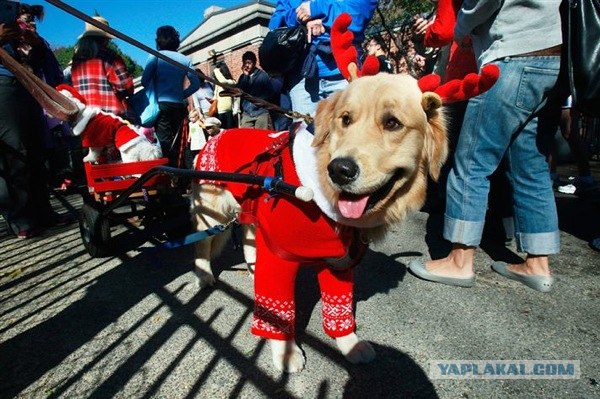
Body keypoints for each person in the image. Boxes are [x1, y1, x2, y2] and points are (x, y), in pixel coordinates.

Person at [408, 0, 563, 292]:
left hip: (511, 54)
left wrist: (460, 25)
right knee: (531, 165)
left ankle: (459, 261)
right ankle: (538, 265)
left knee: (471, 163)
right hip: (553, 54)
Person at [0, 16, 71, 239]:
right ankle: (20, 217)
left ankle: (44, 212)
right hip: (4, 86)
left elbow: (44, 64)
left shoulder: (15, 27)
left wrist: (35, 42)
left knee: (37, 150)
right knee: (15, 149)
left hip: (27, 84)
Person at [269, 0, 378, 130]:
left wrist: (316, 10)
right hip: (301, 82)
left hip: (344, 75)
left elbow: (359, 14)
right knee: (305, 143)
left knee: (353, 137)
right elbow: (274, 25)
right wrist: (301, 20)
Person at [141, 25, 199, 168]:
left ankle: (170, 176)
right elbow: (196, 84)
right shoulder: (185, 59)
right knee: (181, 143)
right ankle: (184, 176)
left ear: (159, 40)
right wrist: (182, 94)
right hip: (179, 105)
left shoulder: (154, 56)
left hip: (162, 105)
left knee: (165, 143)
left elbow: (144, 81)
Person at [70, 16, 134, 119]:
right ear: (105, 39)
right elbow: (126, 87)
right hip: (114, 118)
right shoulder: (109, 56)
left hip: (87, 118)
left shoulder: (76, 61)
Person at [236, 51, 272, 129]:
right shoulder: (242, 77)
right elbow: (239, 92)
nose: (247, 65)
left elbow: (269, 93)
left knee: (261, 137)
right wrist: (246, 76)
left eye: (249, 63)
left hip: (260, 112)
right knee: (246, 137)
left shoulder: (262, 75)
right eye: (245, 63)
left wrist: (261, 103)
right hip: (247, 113)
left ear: (254, 63)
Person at [211, 61, 238, 129]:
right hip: (219, 113)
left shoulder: (231, 82)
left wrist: (216, 70)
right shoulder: (217, 85)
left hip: (229, 112)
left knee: (230, 133)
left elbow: (223, 81)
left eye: (220, 71)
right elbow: (215, 96)